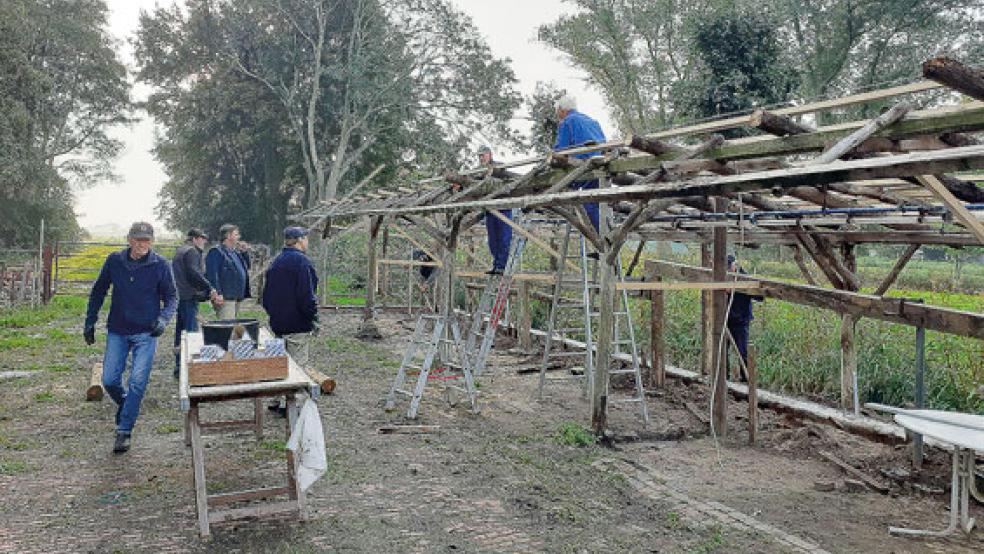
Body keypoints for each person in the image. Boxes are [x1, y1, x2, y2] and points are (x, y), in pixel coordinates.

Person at [84, 222, 177, 453]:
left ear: (152, 241)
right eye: (138, 239)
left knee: (137, 381)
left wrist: (163, 319)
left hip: (146, 332)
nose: (142, 244)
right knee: (109, 380)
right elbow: (99, 290)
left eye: (146, 240)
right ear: (129, 240)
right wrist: (90, 320)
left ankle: (124, 430)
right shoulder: (115, 261)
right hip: (118, 329)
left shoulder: (160, 265)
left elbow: (171, 297)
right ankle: (127, 405)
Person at [261, 226, 320, 416]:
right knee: (298, 364)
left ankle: (275, 400)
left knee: (279, 362)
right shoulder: (302, 262)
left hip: (278, 322)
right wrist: (312, 316)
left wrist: (274, 313)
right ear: (300, 240)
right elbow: (306, 296)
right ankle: (293, 406)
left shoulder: (276, 261)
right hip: (297, 322)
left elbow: (266, 296)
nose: (307, 242)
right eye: (306, 238)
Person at [553, 95, 606, 233]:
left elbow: (561, 149)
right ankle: (607, 234)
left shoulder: (567, 121)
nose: (557, 115)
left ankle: (602, 238)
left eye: (557, 111)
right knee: (599, 202)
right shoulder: (592, 121)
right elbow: (603, 142)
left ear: (562, 110)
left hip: (583, 166)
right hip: (601, 164)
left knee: (588, 204)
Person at [171, 228, 219, 378]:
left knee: (180, 332)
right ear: (194, 239)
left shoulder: (181, 250)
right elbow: (194, 273)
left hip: (180, 295)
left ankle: (179, 367)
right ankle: (189, 369)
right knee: (191, 333)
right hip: (189, 296)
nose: (204, 241)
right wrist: (209, 287)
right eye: (201, 238)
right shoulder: (191, 251)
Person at [725, 254, 763, 381]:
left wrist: (736, 289)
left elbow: (760, 296)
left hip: (741, 320)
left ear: (735, 265)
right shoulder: (722, 276)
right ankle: (723, 377)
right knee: (722, 351)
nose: (727, 270)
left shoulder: (744, 278)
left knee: (742, 352)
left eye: (729, 267)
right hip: (725, 319)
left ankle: (745, 379)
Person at [478, 145, 513, 274]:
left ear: (490, 154)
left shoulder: (499, 166)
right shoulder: (478, 171)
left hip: (503, 207)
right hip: (490, 209)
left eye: (483, 155)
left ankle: (502, 265)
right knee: (492, 240)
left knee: (504, 238)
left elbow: (505, 177)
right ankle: (496, 264)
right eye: (480, 156)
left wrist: (490, 173)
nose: (481, 158)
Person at [205, 223, 250, 319]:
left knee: (232, 324)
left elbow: (247, 267)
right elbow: (212, 274)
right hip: (225, 297)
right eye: (236, 234)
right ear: (228, 236)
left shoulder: (235, 252)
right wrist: (218, 293)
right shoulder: (216, 251)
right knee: (227, 325)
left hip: (236, 296)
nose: (239, 237)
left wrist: (244, 252)